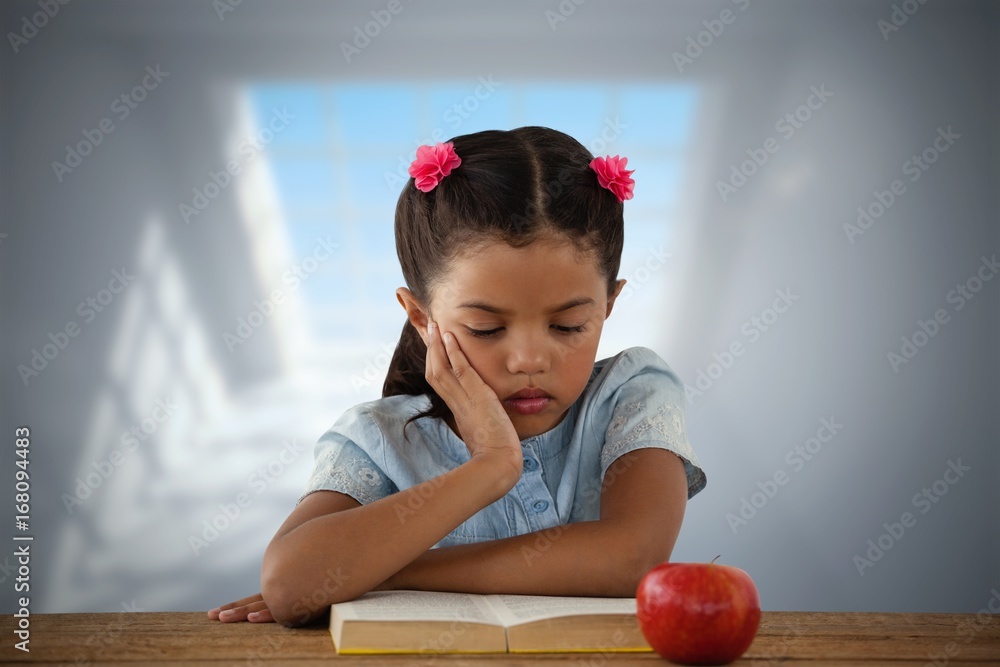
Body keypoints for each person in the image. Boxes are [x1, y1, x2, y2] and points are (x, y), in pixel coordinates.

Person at [208, 126, 707, 627]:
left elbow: (632, 559)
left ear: (609, 304)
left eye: (568, 325)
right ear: (421, 317)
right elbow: (291, 585)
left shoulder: (633, 392)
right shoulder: (381, 437)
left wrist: (390, 571)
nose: (528, 360)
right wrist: (491, 464)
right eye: (486, 328)